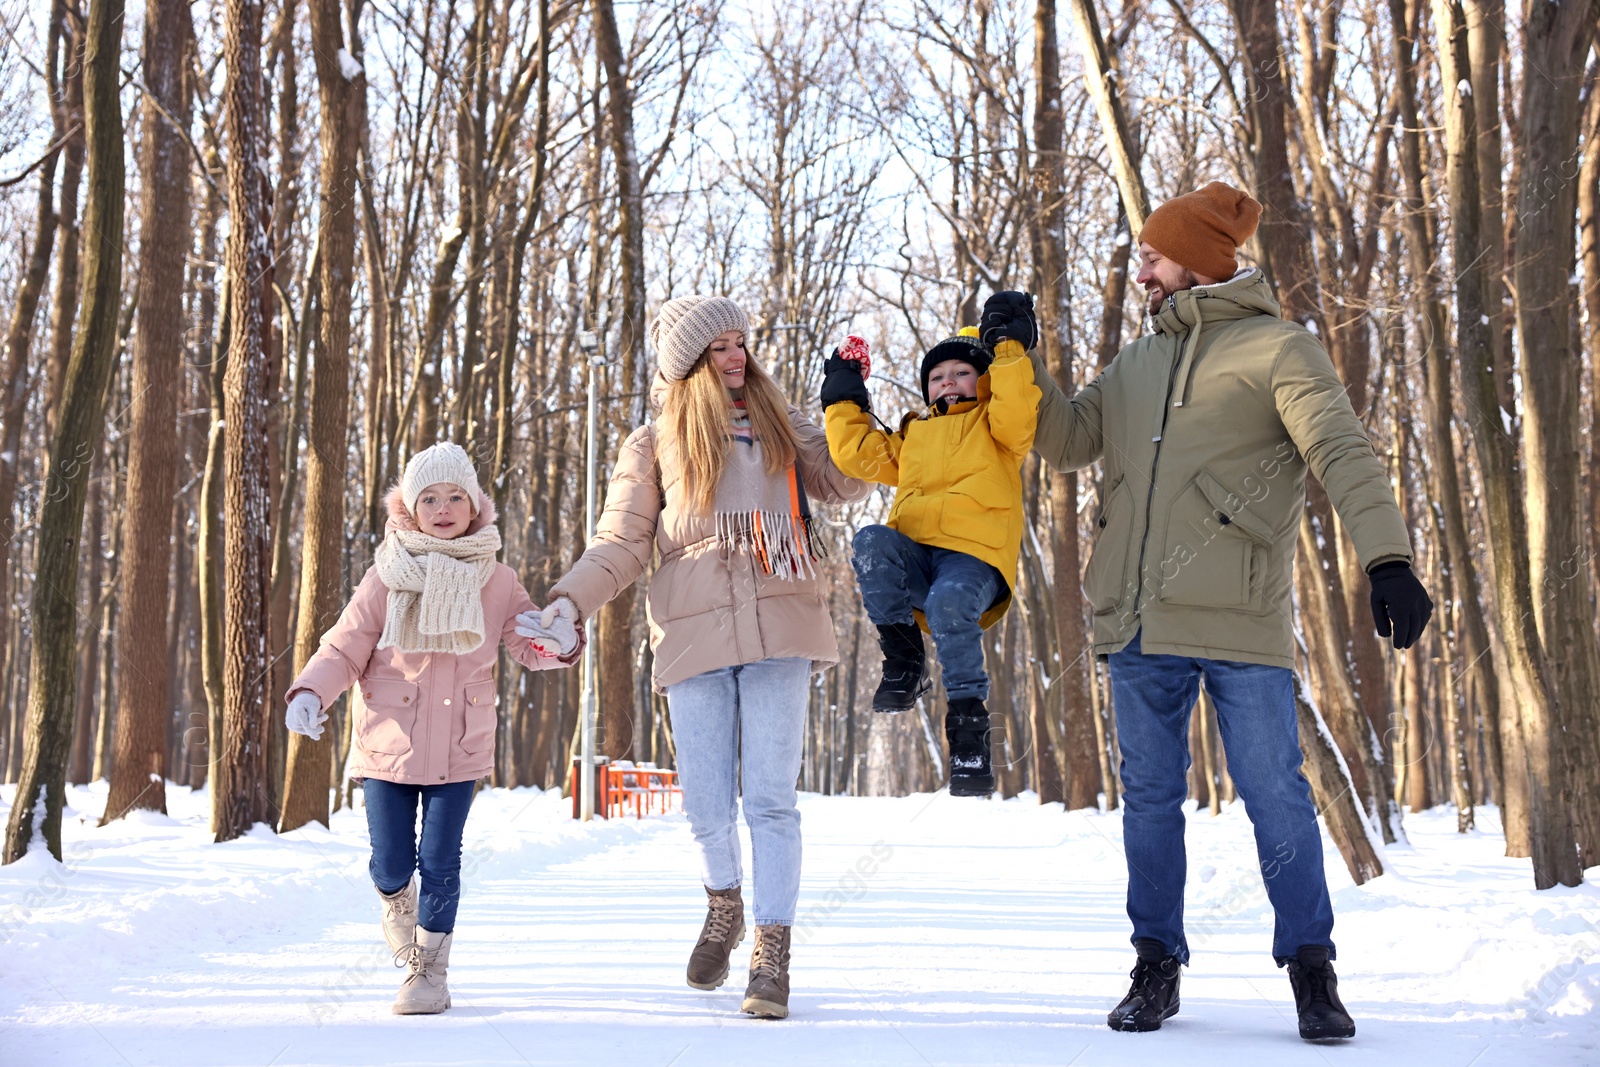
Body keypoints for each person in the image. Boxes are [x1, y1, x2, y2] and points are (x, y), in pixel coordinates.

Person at [984, 181, 1433, 1041]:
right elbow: (1070, 440)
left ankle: (1311, 967)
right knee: (1152, 800)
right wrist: (1018, 358)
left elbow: (1340, 449)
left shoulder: (1278, 350)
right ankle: (1156, 963)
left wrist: (1388, 557)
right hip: (1137, 619)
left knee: (1275, 795)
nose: (1141, 271)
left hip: (1240, 618)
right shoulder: (1138, 361)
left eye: (1152, 257)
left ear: (1195, 261)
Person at [522, 295, 871, 1019]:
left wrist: (850, 402)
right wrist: (568, 603)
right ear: (689, 361)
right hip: (691, 633)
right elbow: (619, 545)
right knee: (708, 805)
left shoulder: (784, 426)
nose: (737, 356)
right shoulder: (652, 444)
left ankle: (772, 950)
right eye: (719, 347)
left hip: (782, 624)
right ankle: (725, 905)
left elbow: (851, 475)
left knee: (771, 800)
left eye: (741, 342)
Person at [284, 442, 573, 1016]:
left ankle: (428, 971)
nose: (444, 508)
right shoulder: (384, 577)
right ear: (411, 510)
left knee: (441, 859)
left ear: (475, 506)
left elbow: (526, 642)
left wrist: (558, 642)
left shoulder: (498, 579)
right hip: (388, 743)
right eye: (430, 498)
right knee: (392, 861)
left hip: (459, 748)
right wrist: (312, 690)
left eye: (455, 496)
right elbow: (345, 646)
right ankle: (395, 901)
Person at [818, 328, 1040, 796]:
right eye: (937, 376)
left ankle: (968, 734)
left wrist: (1008, 349)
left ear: (982, 380)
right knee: (871, 540)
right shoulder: (912, 435)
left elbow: (1018, 409)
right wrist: (844, 392)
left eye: (962, 372)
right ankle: (904, 661)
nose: (949, 382)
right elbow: (855, 453)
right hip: (918, 556)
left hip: (973, 559)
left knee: (947, 602)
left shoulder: (997, 427)